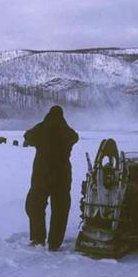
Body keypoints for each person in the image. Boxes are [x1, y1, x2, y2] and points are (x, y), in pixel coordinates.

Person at [23, 105, 79, 251]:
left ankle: (37, 238)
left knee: (35, 204)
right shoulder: (67, 131)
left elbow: (28, 136)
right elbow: (75, 137)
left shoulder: (41, 128)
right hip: (62, 175)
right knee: (60, 208)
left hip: (42, 174)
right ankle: (55, 242)